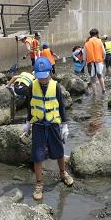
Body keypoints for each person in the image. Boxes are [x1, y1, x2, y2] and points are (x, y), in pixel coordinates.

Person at [24, 57, 74, 201]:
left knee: (59, 152)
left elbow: (61, 106)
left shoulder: (56, 86)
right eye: (39, 77)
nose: (42, 80)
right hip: (38, 125)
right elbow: (29, 105)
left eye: (44, 77)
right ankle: (39, 184)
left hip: (53, 124)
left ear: (50, 73)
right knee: (37, 155)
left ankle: (63, 173)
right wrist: (28, 122)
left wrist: (64, 125)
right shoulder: (32, 86)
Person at [83, 28, 106, 94]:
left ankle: (95, 93)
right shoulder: (100, 41)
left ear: (90, 35)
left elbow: (84, 54)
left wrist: (84, 62)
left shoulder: (87, 43)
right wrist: (103, 59)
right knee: (100, 76)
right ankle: (103, 89)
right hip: (99, 62)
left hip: (90, 63)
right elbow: (104, 52)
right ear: (97, 34)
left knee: (93, 79)